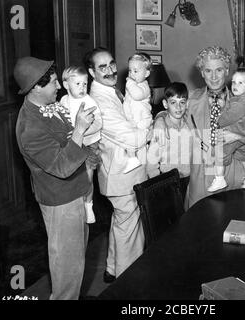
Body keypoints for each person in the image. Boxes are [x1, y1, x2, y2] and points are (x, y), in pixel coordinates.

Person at [14, 56, 99, 299]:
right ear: (35, 88)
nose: (59, 86)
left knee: (76, 263)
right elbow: (62, 167)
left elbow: (66, 138)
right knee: (67, 272)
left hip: (75, 193)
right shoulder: (30, 127)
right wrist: (81, 129)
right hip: (61, 201)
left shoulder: (44, 107)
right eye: (53, 83)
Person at [154, 46, 245, 210]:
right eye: (208, 70)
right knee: (198, 231)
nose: (214, 77)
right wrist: (160, 120)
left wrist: (238, 137)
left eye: (219, 70)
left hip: (233, 177)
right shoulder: (190, 99)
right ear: (201, 72)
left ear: (227, 70)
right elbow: (170, 114)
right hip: (201, 182)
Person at [84, 47, 150, 282]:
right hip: (120, 176)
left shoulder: (111, 91)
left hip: (121, 173)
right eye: (102, 67)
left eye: (112, 63)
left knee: (122, 222)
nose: (111, 70)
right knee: (129, 226)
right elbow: (134, 138)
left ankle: (112, 268)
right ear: (91, 72)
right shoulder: (100, 101)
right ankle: (128, 280)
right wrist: (148, 127)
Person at [60, 66, 103, 223]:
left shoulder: (89, 101)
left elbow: (98, 123)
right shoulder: (64, 101)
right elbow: (62, 120)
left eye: (85, 84)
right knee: (74, 177)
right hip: (73, 144)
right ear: (66, 85)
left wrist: (82, 130)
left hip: (90, 144)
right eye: (77, 84)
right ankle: (76, 205)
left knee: (88, 178)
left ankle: (89, 204)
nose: (82, 87)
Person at [207, 67, 245, 192]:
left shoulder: (239, 103)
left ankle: (220, 179)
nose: (235, 85)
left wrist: (221, 114)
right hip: (244, 138)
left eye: (240, 83)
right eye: (234, 82)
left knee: (219, 155)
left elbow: (226, 119)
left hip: (235, 136)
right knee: (244, 158)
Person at [147, 82, 192, 200]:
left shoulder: (189, 125)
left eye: (182, 102)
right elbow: (151, 163)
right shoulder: (161, 130)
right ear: (165, 104)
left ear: (187, 104)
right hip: (167, 182)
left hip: (188, 179)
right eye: (173, 103)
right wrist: (158, 186)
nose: (178, 107)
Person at [123, 53, 153, 173]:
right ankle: (133, 158)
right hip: (133, 119)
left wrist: (129, 83)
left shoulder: (144, 87)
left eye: (136, 71)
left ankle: (133, 159)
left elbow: (136, 95)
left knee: (133, 139)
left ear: (146, 73)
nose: (132, 74)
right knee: (129, 139)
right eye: (130, 71)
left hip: (143, 120)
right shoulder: (133, 85)